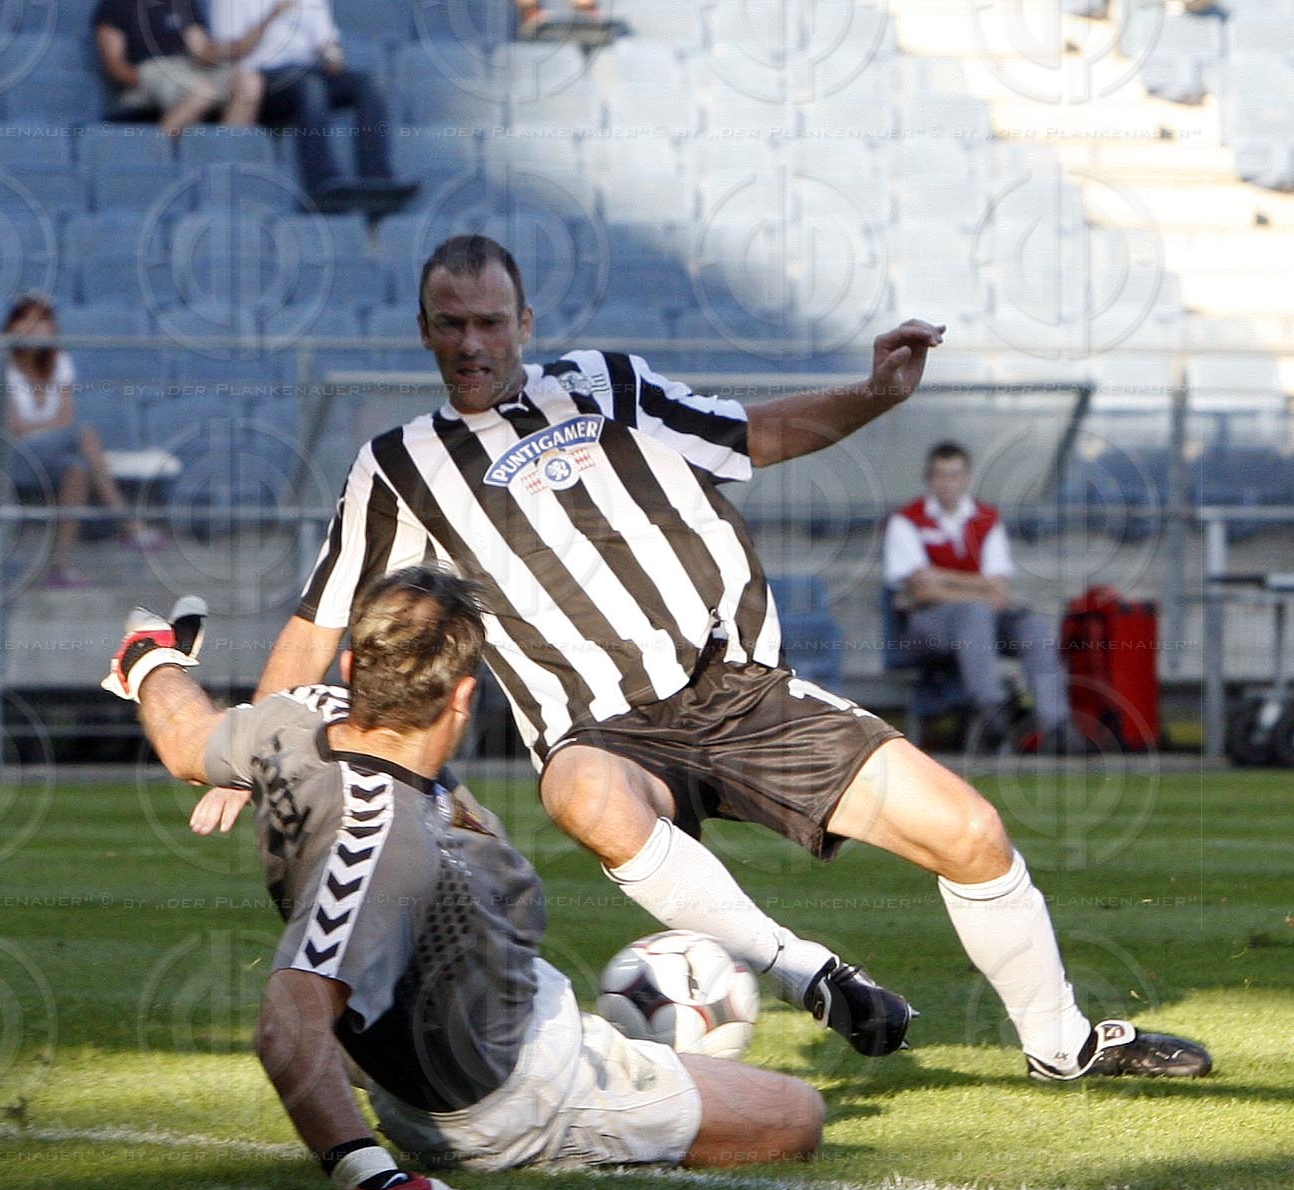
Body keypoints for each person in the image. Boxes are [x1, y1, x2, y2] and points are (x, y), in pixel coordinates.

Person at [194, 234, 1211, 1085]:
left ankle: (1063, 1045)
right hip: (597, 730)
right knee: (583, 796)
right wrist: (254, 747)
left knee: (972, 829)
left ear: (524, 324)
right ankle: (804, 968)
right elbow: (320, 618)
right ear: (425, 330)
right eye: (450, 323)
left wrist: (874, 395)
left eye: (489, 321)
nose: (471, 342)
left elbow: (756, 433)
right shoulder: (396, 464)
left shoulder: (607, 384)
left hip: (736, 692)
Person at [105, 567, 826, 1190]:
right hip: (509, 1095)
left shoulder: (300, 715)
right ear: (464, 699)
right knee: (796, 1117)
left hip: (473, 1030)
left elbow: (185, 740)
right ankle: (584, 1139)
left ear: (351, 666)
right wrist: (367, 1171)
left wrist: (151, 661)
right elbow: (287, 1026)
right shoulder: (379, 841)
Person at [884, 440, 1079, 753]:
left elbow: (1000, 590)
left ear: (966, 478)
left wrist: (942, 576)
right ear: (930, 479)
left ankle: (1057, 724)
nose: (948, 483)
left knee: (1034, 627)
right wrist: (978, 586)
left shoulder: (987, 519)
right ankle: (991, 709)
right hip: (926, 627)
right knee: (974, 612)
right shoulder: (906, 521)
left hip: (980, 622)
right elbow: (919, 591)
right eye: (940, 475)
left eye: (954, 475)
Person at [0, 295, 161, 588]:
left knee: (77, 468)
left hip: (48, 451)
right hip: (9, 454)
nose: (34, 328)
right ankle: (127, 522)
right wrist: (50, 428)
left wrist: (48, 428)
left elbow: (64, 418)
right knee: (84, 434)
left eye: (42, 321)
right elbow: (14, 425)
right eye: (26, 320)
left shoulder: (59, 362)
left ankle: (61, 566)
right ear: (12, 326)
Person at [207, 0, 416, 205]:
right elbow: (229, 52)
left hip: (310, 70)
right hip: (260, 77)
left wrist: (333, 56)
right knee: (311, 87)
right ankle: (322, 183)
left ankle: (377, 179)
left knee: (370, 84)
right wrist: (272, 15)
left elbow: (328, 42)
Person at [92, 0, 288, 137]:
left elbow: (201, 49)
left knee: (250, 83)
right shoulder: (115, 4)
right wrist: (146, 79)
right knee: (202, 92)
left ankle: (226, 159)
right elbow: (114, 66)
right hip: (149, 70)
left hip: (189, 68)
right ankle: (153, 156)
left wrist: (265, 22)